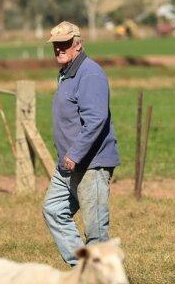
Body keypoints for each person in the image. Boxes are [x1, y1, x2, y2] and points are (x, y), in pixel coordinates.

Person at [41, 21, 120, 266]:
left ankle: (104, 283)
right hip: (68, 164)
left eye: (64, 44)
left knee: (96, 232)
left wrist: (75, 154)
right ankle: (84, 269)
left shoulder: (90, 73)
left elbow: (96, 119)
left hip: (90, 165)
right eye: (56, 45)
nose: (59, 49)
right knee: (54, 210)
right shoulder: (67, 73)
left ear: (78, 44)